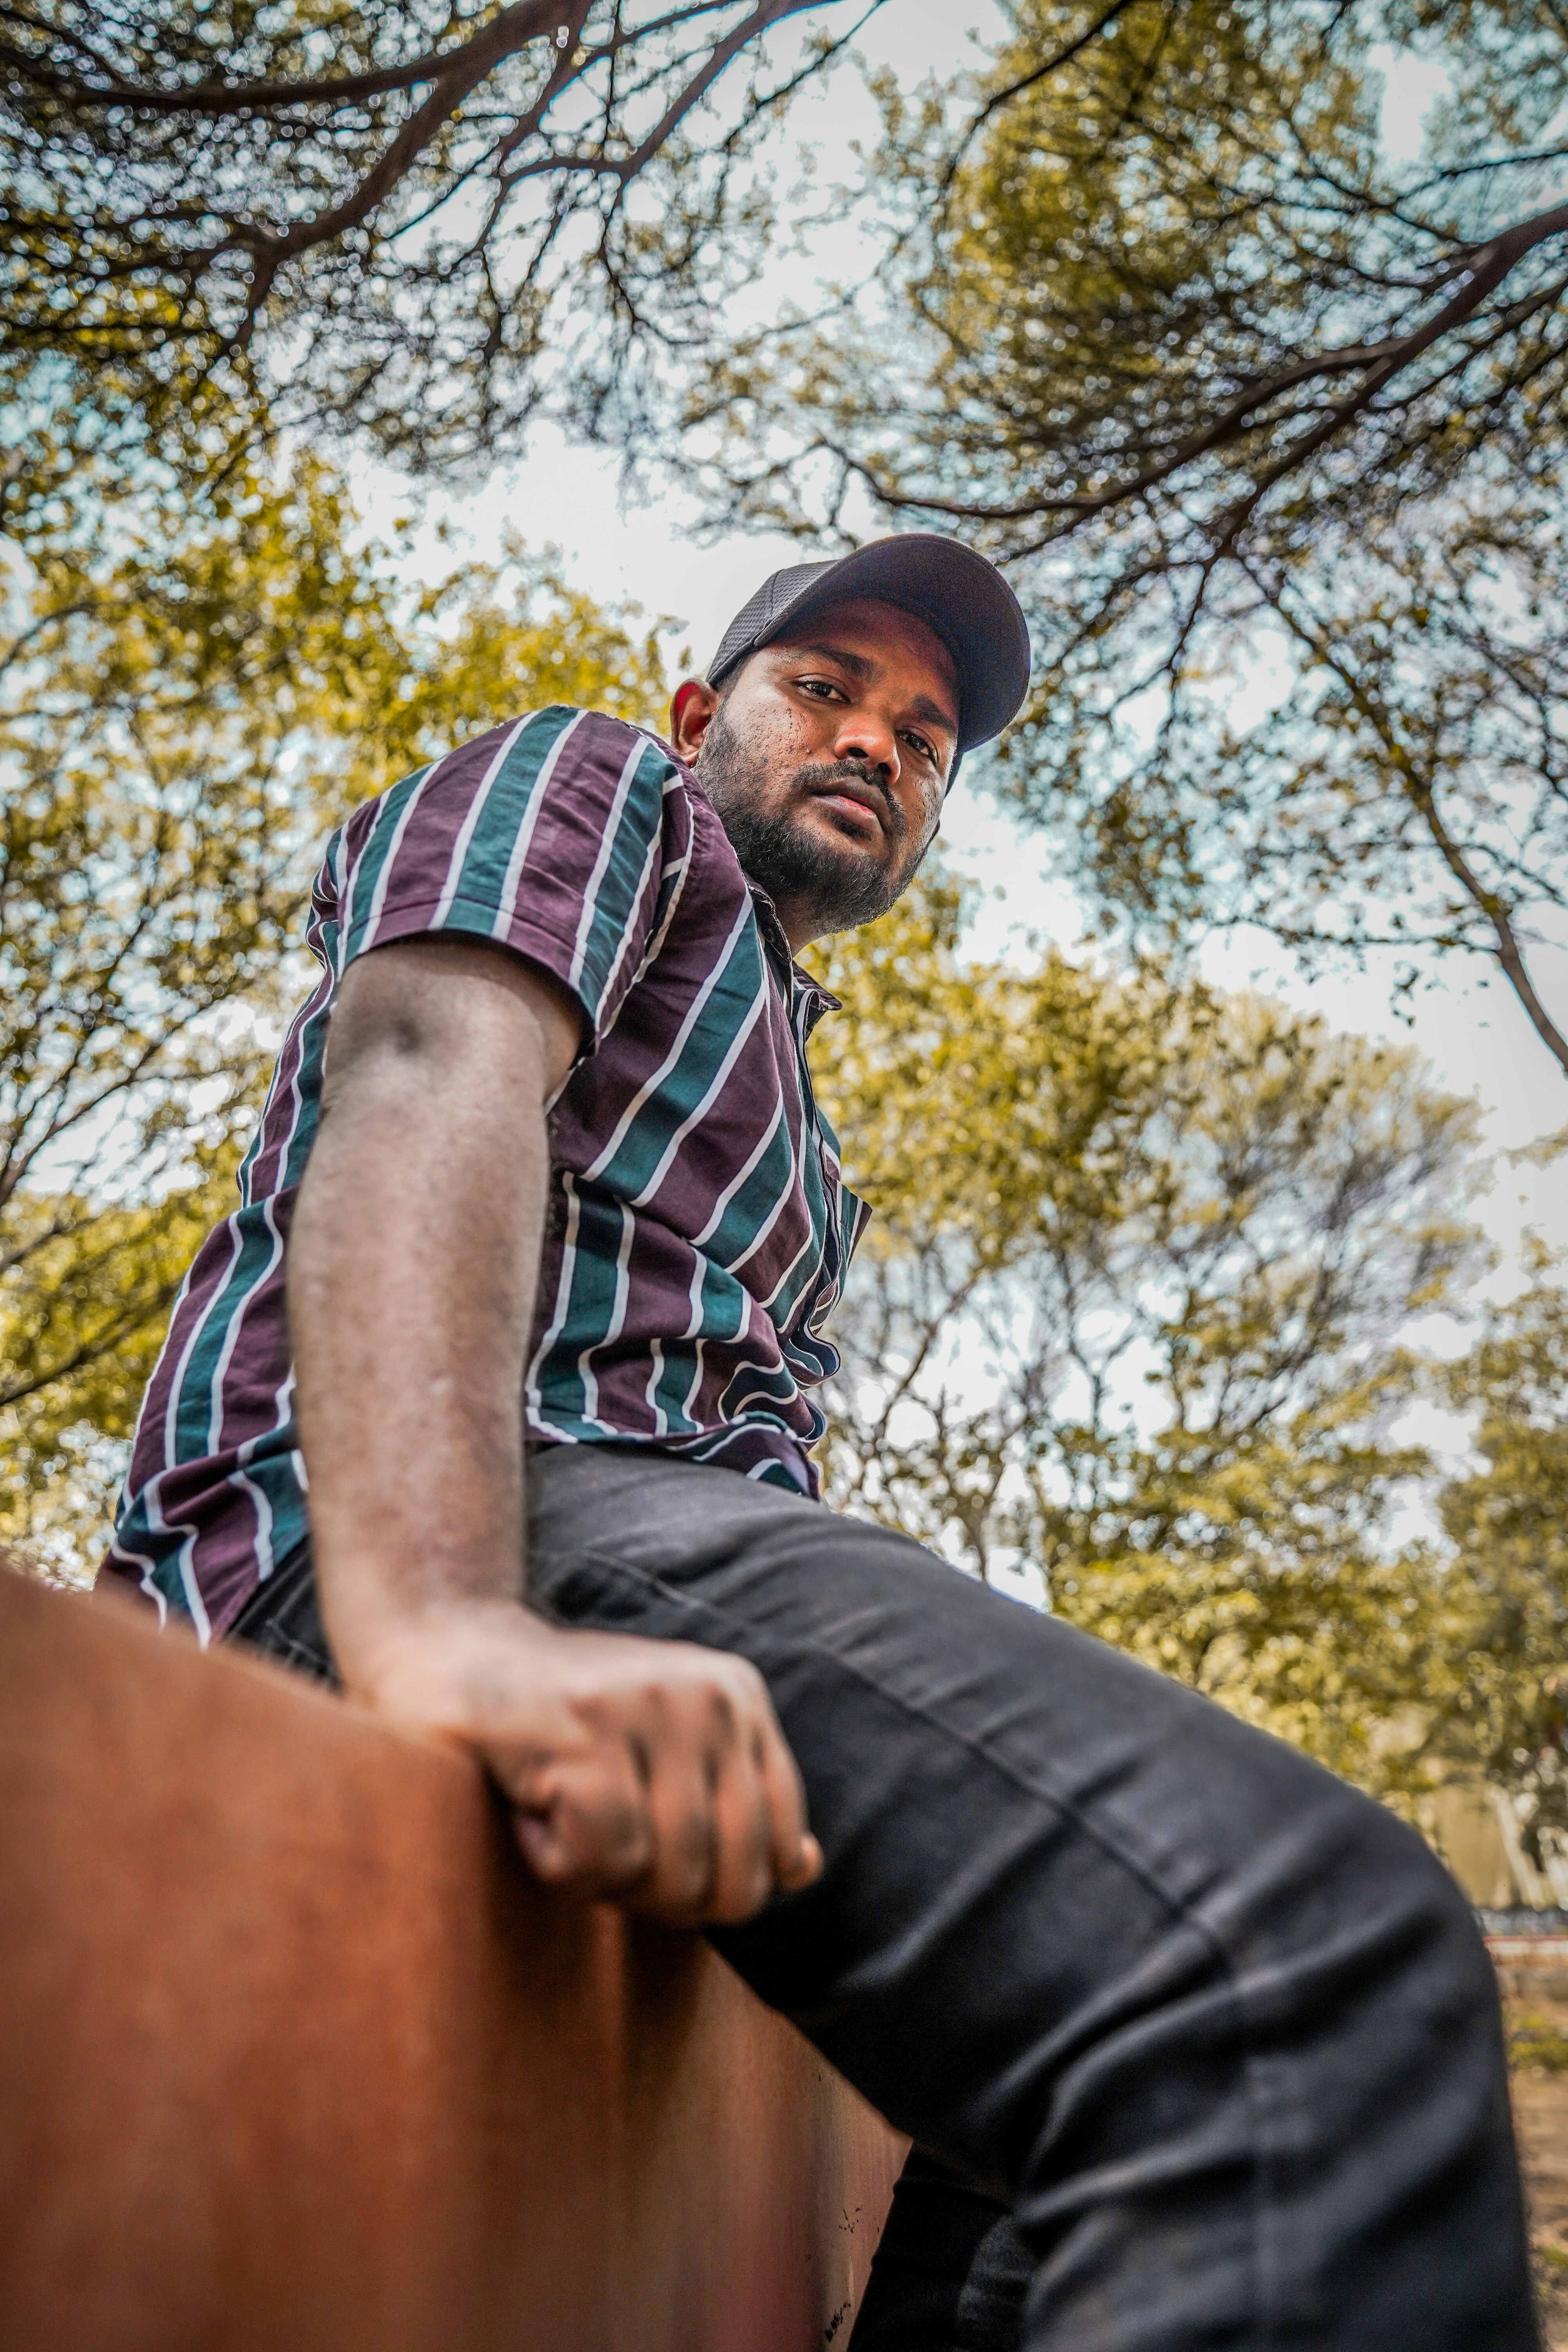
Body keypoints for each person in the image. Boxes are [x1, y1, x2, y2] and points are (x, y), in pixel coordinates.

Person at [102, 532, 1538, 2350]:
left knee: (1050, 2066)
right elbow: (418, 1067)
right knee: (1311, 1964)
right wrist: (441, 1621)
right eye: (826, 690)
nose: (878, 744)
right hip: (417, 1520)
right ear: (705, 713)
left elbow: (768, 1478)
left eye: (927, 740)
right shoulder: (595, 778)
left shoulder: (811, 1156)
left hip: (659, 1551)